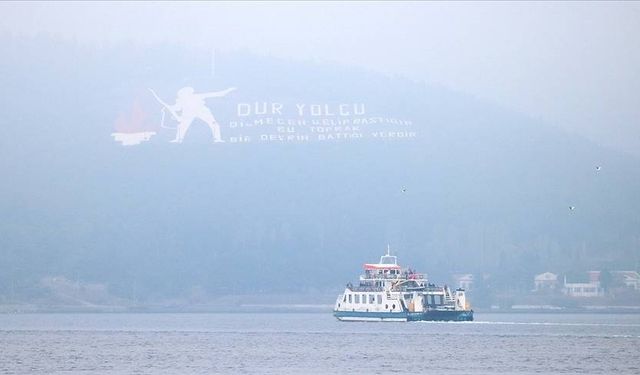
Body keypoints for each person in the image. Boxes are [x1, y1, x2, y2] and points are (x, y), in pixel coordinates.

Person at [164, 86, 236, 143]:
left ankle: (217, 139)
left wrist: (227, 91)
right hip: (188, 114)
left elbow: (215, 94)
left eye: (187, 92)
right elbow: (177, 108)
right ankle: (178, 140)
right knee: (181, 126)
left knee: (214, 124)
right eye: (184, 93)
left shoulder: (196, 96)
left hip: (202, 111)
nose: (187, 94)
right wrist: (169, 107)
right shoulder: (181, 100)